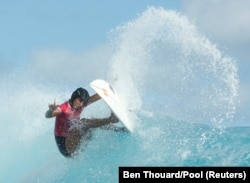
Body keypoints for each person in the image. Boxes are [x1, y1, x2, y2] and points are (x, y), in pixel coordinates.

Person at [45, 87, 120, 158]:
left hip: (75, 140)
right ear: (74, 97)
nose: (81, 104)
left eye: (83, 102)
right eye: (80, 100)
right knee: (83, 123)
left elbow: (94, 97)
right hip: (65, 146)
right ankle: (111, 119)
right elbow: (48, 115)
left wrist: (108, 90)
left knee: (92, 125)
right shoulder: (63, 108)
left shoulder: (80, 105)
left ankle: (117, 129)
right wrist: (51, 110)